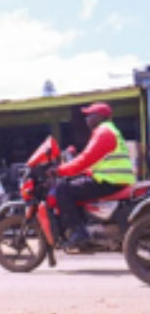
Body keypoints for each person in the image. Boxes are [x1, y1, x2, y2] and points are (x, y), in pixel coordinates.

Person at [54, 102, 136, 247]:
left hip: (109, 181)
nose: (86, 119)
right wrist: (82, 172)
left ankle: (79, 232)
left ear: (99, 117)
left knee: (62, 189)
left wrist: (59, 170)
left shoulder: (103, 133)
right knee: (74, 185)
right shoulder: (109, 130)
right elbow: (97, 162)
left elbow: (85, 159)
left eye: (89, 115)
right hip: (115, 179)